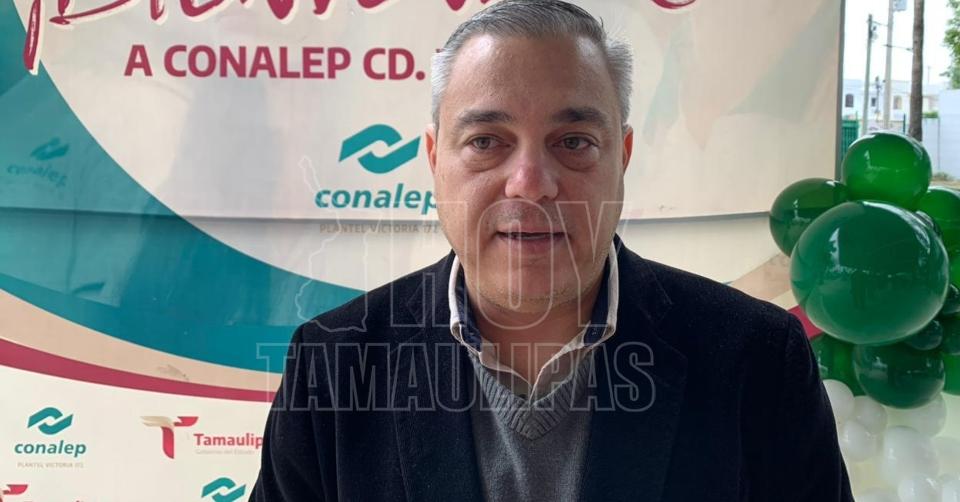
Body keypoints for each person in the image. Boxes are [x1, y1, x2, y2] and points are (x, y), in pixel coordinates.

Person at [250, 1, 853, 500]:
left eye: (573, 141)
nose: (530, 183)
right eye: (486, 141)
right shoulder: (331, 366)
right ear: (434, 160)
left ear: (622, 157)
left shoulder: (758, 359)